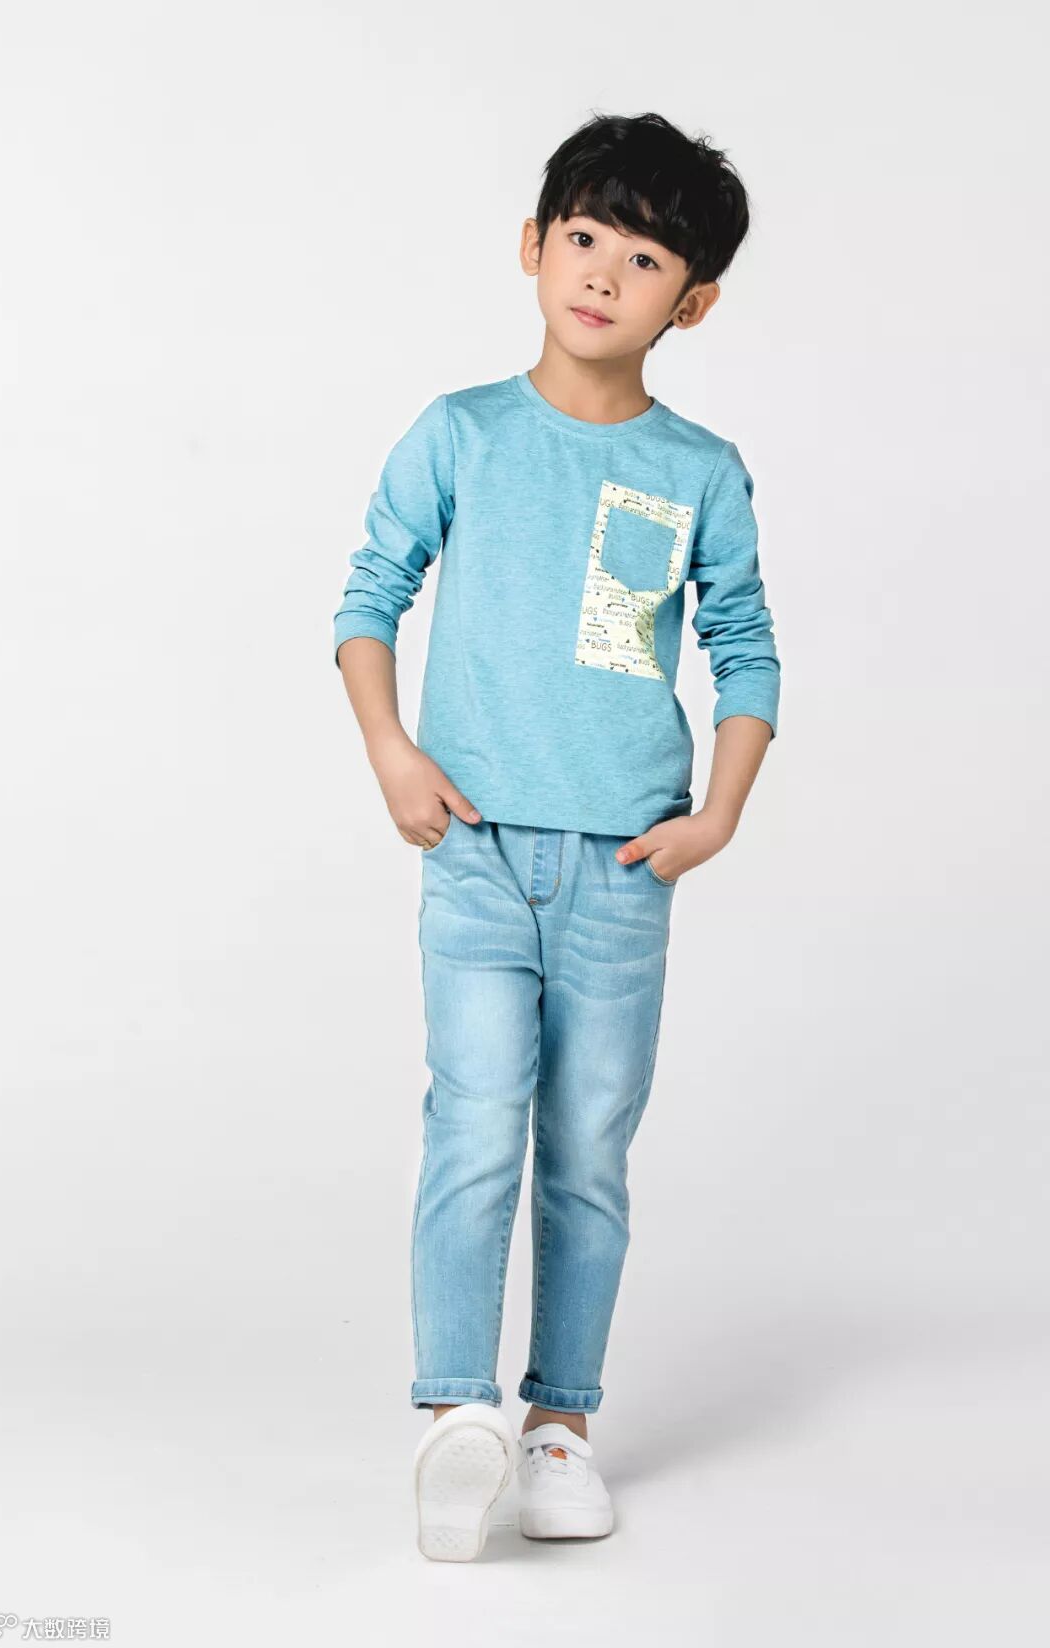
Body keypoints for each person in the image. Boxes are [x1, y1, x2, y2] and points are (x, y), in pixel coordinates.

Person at [333, 110, 782, 1562]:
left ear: (691, 302)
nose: (603, 273)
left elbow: (745, 647)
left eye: (645, 259)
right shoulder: (462, 432)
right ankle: (455, 1417)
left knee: (586, 1147)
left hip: (621, 872)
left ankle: (559, 1427)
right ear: (534, 246)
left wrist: (717, 814)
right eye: (584, 238)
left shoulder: (698, 469)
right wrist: (394, 751)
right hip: (473, 854)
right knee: (473, 1124)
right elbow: (368, 597)